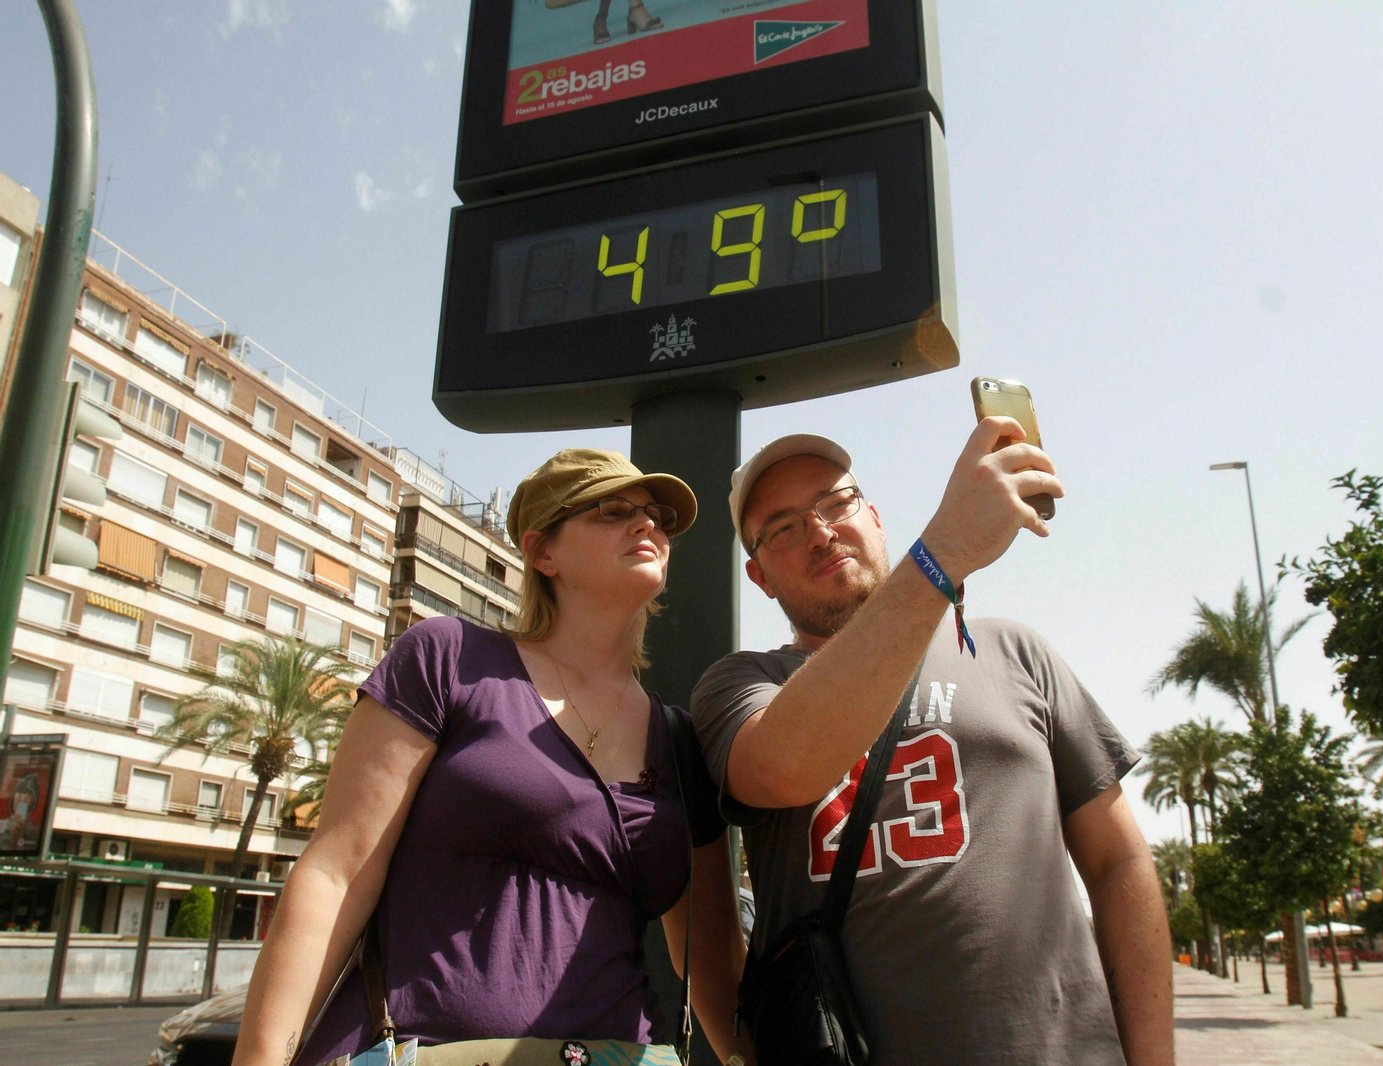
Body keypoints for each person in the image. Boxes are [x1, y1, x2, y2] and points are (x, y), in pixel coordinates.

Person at [233, 449, 751, 1066]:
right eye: (612, 511)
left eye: (657, 517)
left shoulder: (679, 742)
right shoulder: (448, 659)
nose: (647, 525)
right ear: (542, 552)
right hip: (420, 1049)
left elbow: (714, 961)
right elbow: (336, 876)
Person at [691, 421, 1175, 1066]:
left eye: (837, 503)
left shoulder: (1015, 652)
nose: (820, 532)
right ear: (760, 578)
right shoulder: (741, 686)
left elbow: (1118, 863)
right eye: (783, 528)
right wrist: (941, 553)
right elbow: (780, 768)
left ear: (875, 518)